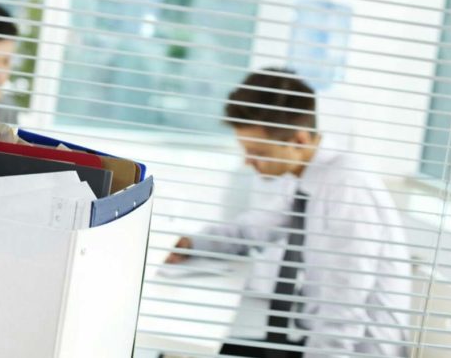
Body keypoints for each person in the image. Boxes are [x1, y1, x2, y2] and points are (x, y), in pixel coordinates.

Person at [166, 67, 412, 358]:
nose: (249, 162)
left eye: (259, 152)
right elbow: (251, 230)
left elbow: (343, 309)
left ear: (299, 140)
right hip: (313, 340)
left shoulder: (347, 189)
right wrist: (190, 243)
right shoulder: (303, 177)